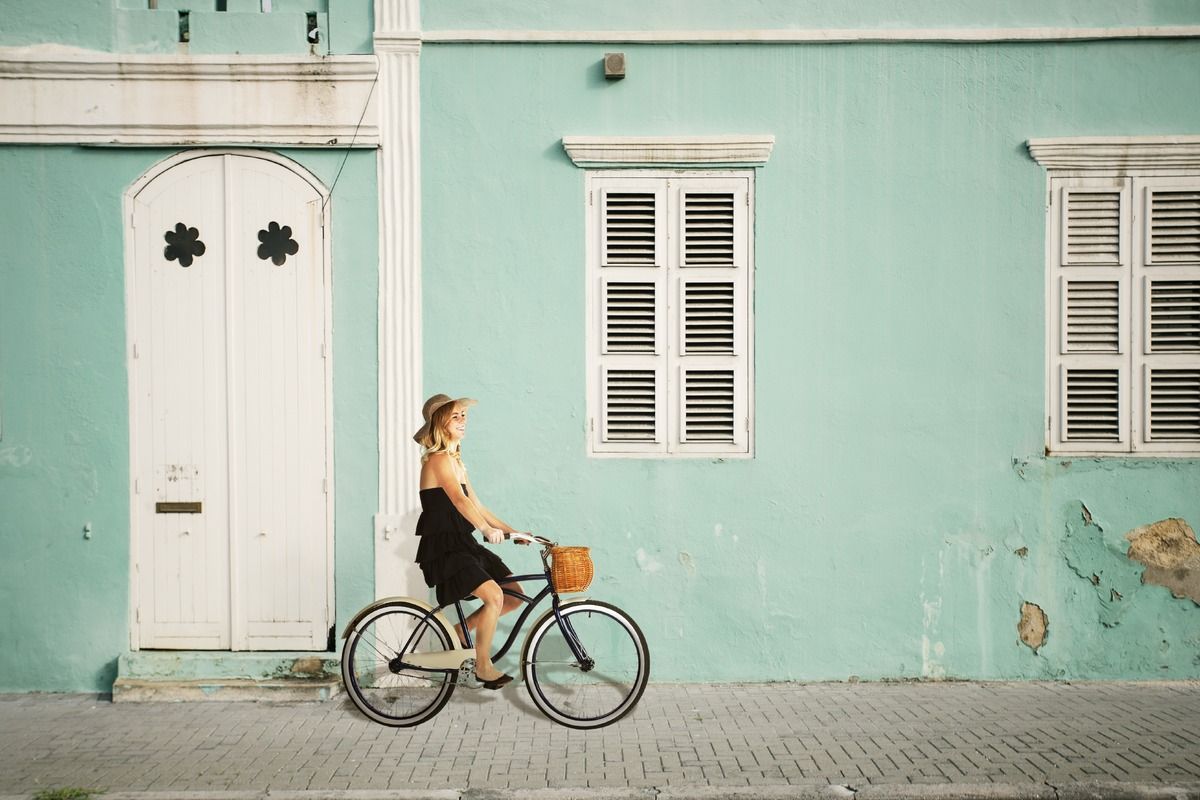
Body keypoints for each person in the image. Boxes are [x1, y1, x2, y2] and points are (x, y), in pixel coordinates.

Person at [412, 393, 529, 690]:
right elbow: (458, 500)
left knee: (513, 594)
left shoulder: (456, 463)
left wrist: (514, 532)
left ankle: (459, 634)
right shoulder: (438, 460)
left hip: (463, 543)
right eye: (456, 416)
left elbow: (478, 506)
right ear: (441, 423)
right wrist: (485, 530)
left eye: (464, 414)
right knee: (494, 596)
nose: (463, 420)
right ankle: (483, 665)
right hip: (445, 548)